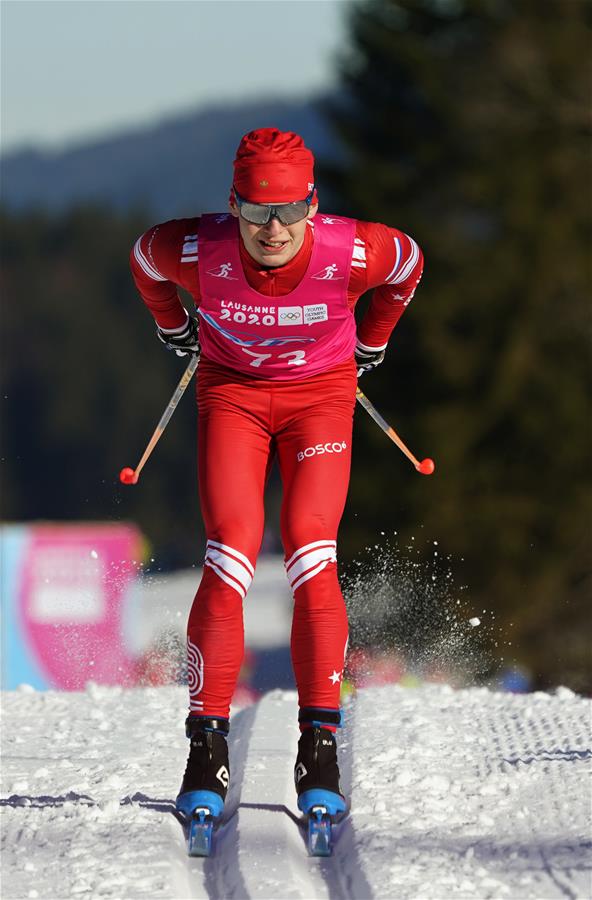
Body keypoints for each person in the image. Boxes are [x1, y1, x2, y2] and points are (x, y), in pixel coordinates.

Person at [130, 127, 423, 823]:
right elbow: (143, 259)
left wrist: (374, 338)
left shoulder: (353, 250)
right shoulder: (196, 248)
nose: (273, 229)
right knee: (229, 550)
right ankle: (206, 748)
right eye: (258, 211)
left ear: (312, 204)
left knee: (310, 549)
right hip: (232, 395)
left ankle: (319, 748)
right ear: (233, 204)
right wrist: (172, 323)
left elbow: (408, 263)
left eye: (289, 210)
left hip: (320, 401)